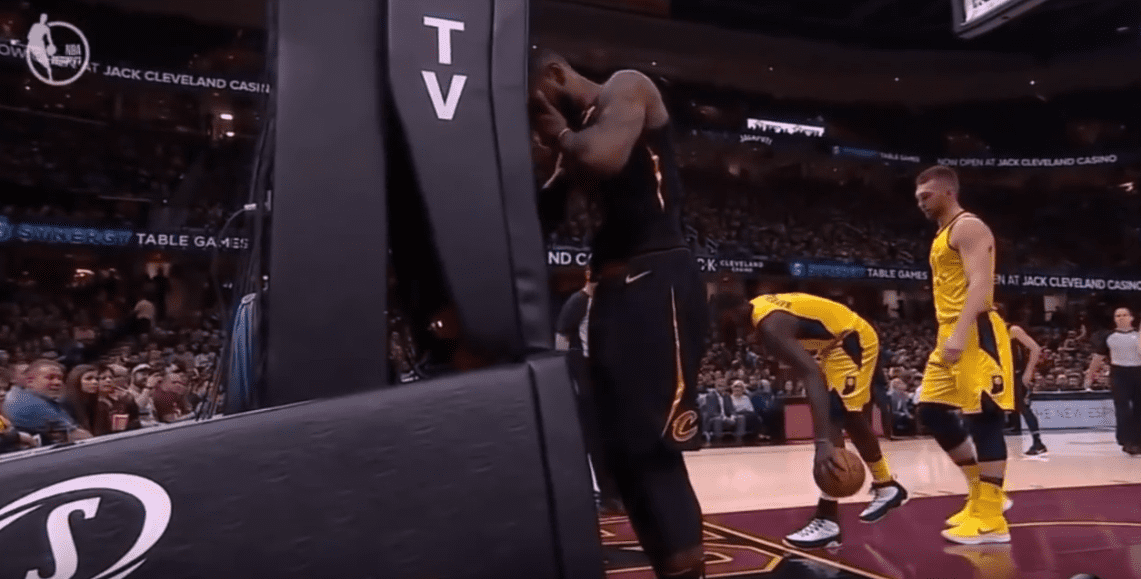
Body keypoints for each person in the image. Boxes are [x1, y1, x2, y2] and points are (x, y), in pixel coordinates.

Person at [531, 49, 709, 579]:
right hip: (612, 291)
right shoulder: (581, 135)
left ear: (557, 74)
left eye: (535, 95)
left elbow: (603, 157)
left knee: (652, 446)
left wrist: (558, 133)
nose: (533, 109)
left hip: (656, 279)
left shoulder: (625, 87)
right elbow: (546, 213)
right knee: (620, 450)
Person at [742, 293, 909, 549]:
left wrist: (821, 442)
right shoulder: (758, 308)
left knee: (838, 419)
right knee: (844, 418)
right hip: (833, 345)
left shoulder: (771, 325)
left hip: (851, 339)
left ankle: (835, 515)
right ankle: (878, 489)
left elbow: (811, 374)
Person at [913, 165, 1014, 545]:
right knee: (930, 410)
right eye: (917, 197)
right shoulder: (942, 235)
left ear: (948, 193)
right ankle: (981, 495)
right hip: (950, 332)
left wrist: (959, 332)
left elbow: (981, 284)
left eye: (926, 196)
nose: (920, 202)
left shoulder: (968, 226)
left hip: (974, 330)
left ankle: (992, 520)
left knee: (984, 418)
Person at [1084, 307, 1141, 456]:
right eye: (1118, 315)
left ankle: (1137, 442)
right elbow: (1098, 357)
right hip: (1119, 374)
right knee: (1123, 409)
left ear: (1131, 317)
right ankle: (1126, 441)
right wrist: (1089, 375)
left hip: (1138, 372)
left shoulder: (1138, 335)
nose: (1121, 317)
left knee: (1138, 408)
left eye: (1124, 315)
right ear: (1114, 319)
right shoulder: (1108, 336)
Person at [995, 304, 1045, 456]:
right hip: (1001, 377)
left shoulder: (1013, 330)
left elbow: (1035, 348)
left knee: (1024, 408)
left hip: (1017, 374)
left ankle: (1038, 442)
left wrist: (1028, 371)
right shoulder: (991, 332)